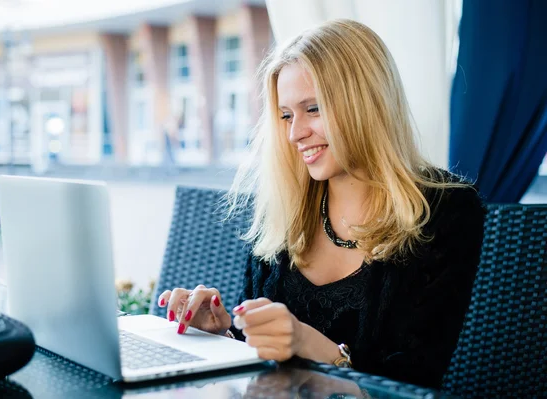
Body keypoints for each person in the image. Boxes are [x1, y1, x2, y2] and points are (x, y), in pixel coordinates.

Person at [157, 19, 486, 389]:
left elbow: (414, 380)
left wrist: (311, 344)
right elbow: (264, 359)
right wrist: (222, 336)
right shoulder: (286, 206)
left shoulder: (445, 209)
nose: (295, 132)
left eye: (312, 109)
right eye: (286, 115)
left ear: (366, 103)